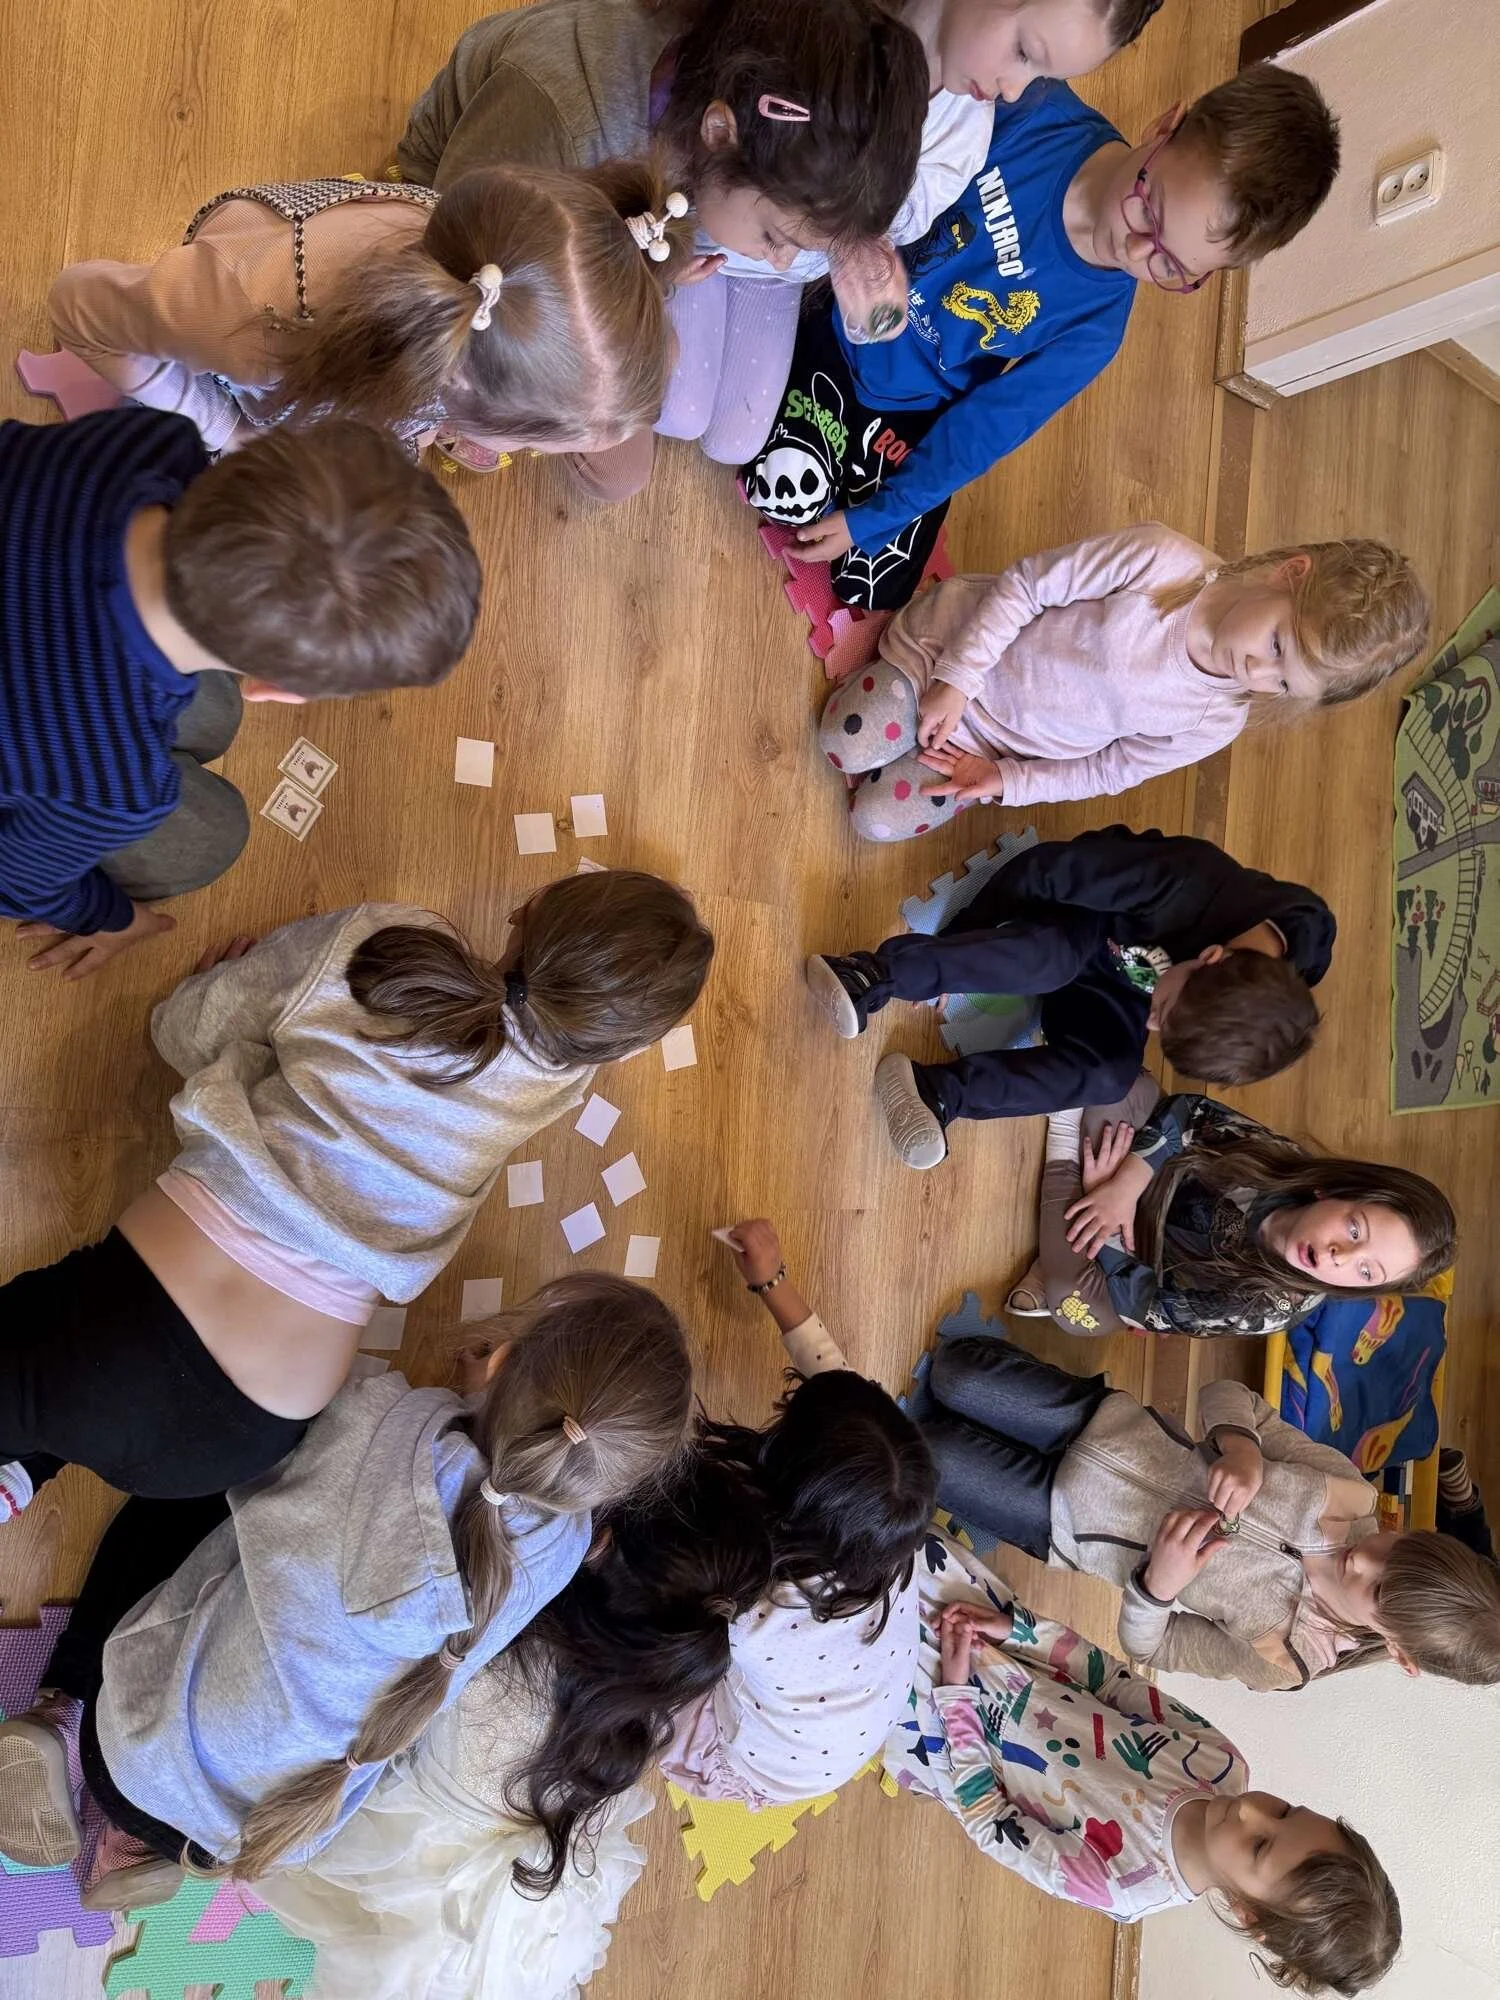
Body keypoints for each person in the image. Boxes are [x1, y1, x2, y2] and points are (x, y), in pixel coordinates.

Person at [0, 869, 714, 1522]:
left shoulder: (387, 942)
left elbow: (179, 1033)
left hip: (112, 1342)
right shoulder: (561, 1084)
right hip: (236, 1445)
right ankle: (27, 1473)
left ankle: (32, 1452)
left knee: (56, 1379)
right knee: (67, 1414)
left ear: (525, 908)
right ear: (617, 1054)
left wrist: (217, 1030)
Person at [0, 1272, 696, 1909]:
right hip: (256, 1831)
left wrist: (453, 1403)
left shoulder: (395, 1422)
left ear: (503, 1359)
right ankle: (141, 1844)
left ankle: (65, 1710)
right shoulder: (564, 1549)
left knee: (201, 1470)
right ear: (607, 1491)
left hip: (130, 1744)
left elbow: (271, 1477)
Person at [745, 66, 1341, 611]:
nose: (1135, 252)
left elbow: (987, 427)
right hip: (835, 305)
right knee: (779, 490)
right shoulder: (1031, 109)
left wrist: (875, 520)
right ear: (1165, 127)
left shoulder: (1098, 331)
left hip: (913, 406)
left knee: (875, 584)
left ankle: (848, 461)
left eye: (1170, 267)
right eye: (1147, 210)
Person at [254, 1449, 768, 2000]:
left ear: (598, 1541)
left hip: (428, 1888)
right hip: (530, 1927)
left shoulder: (501, 1637)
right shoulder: (653, 1682)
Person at [0, 407, 480, 981]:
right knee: (214, 835)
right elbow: (15, 879)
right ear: (277, 691)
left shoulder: (150, 440)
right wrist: (108, 916)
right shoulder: (113, 789)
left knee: (210, 714)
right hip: (51, 727)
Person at [394, 0, 931, 493]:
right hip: (456, 233)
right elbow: (451, 257)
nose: (781, 262)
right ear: (719, 133)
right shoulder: (563, 113)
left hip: (576, 237)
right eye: (775, 239)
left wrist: (654, 272)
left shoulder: (710, 123)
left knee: (617, 452)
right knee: (594, 444)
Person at [886, 1530, 1402, 1993]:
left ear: (1247, 1914)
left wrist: (954, 1695)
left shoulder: (1125, 1885)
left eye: (1261, 1845)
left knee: (850, 1624)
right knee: (899, 1544)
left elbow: (988, 1819)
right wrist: (1012, 1629)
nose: (1250, 1811)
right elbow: (1110, 1682)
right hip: (1004, 1654)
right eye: (1286, 1811)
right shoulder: (1223, 1765)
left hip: (942, 1727)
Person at [915, 1326, 1500, 1691]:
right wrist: (1242, 1445)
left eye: (1376, 1591)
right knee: (953, 1372)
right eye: (1392, 1551)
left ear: (1400, 1653)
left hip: (1060, 1523)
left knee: (926, 1453)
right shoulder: (1347, 1491)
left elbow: (1151, 1649)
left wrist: (1157, 1588)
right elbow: (1229, 1396)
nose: (1361, 1562)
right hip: (1100, 1423)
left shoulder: (1285, 1659)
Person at [49, 160, 694, 470]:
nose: (518, 454)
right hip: (239, 354)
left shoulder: (482, 263)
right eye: (526, 445)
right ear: (461, 392)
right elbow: (77, 307)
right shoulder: (253, 331)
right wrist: (224, 427)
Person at [818, 526, 1429, 840]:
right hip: (948, 656)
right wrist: (954, 679)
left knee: (872, 818)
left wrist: (1006, 780)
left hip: (988, 748)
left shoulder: (1216, 720)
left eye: (1285, 685)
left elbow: (1111, 770)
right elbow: (1028, 585)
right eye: (1276, 646)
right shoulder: (1163, 562)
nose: (1260, 674)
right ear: (1289, 575)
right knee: (841, 742)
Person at [805, 823, 1336, 1170]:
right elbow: (1044, 870)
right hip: (1089, 920)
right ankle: (872, 975)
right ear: (1212, 956)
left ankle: (938, 1093)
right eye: (1166, 1015)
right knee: (1048, 959)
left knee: (1111, 1075)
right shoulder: (1181, 881)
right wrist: (957, 943)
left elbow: (1185, 1008)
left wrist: (1159, 1001)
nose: (1154, 1026)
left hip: (1125, 980)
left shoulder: (1277, 984)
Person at [661, 1220, 937, 1805]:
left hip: (759, 1765)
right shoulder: (886, 1525)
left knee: (642, 1681)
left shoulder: (759, 1607)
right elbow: (835, 1384)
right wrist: (773, 1281)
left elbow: (664, 1616)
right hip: (846, 1728)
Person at [1025, 1079, 1455, 1337]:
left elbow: (1148, 1309)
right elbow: (1191, 1113)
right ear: (1332, 1191)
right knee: (1119, 1085)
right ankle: (1061, 1229)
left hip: (1127, 1252)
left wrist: (1107, 1221)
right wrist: (1127, 1181)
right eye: (1355, 1230)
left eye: (1365, 1273)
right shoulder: (1281, 1159)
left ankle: (1064, 1138)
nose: (1339, 1256)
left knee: (1075, 1308)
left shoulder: (1271, 1309)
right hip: (1138, 1168)